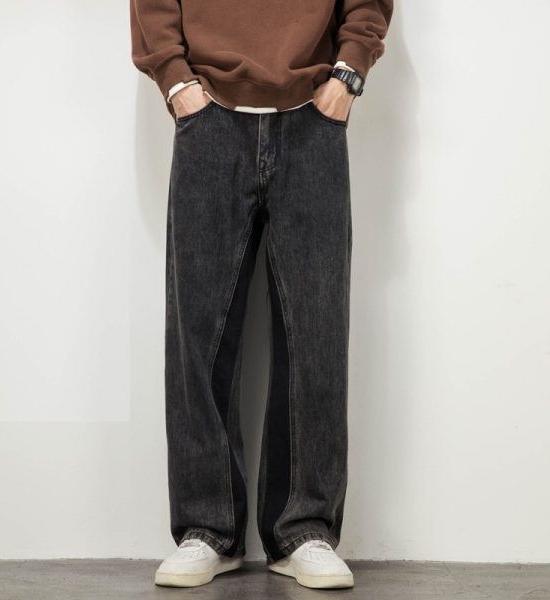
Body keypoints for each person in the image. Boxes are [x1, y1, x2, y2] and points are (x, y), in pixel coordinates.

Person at [130, 0, 393, 589]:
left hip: (314, 119)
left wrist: (348, 76)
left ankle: (304, 530)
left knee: (316, 332)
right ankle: (208, 529)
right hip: (207, 119)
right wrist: (176, 82)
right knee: (198, 334)